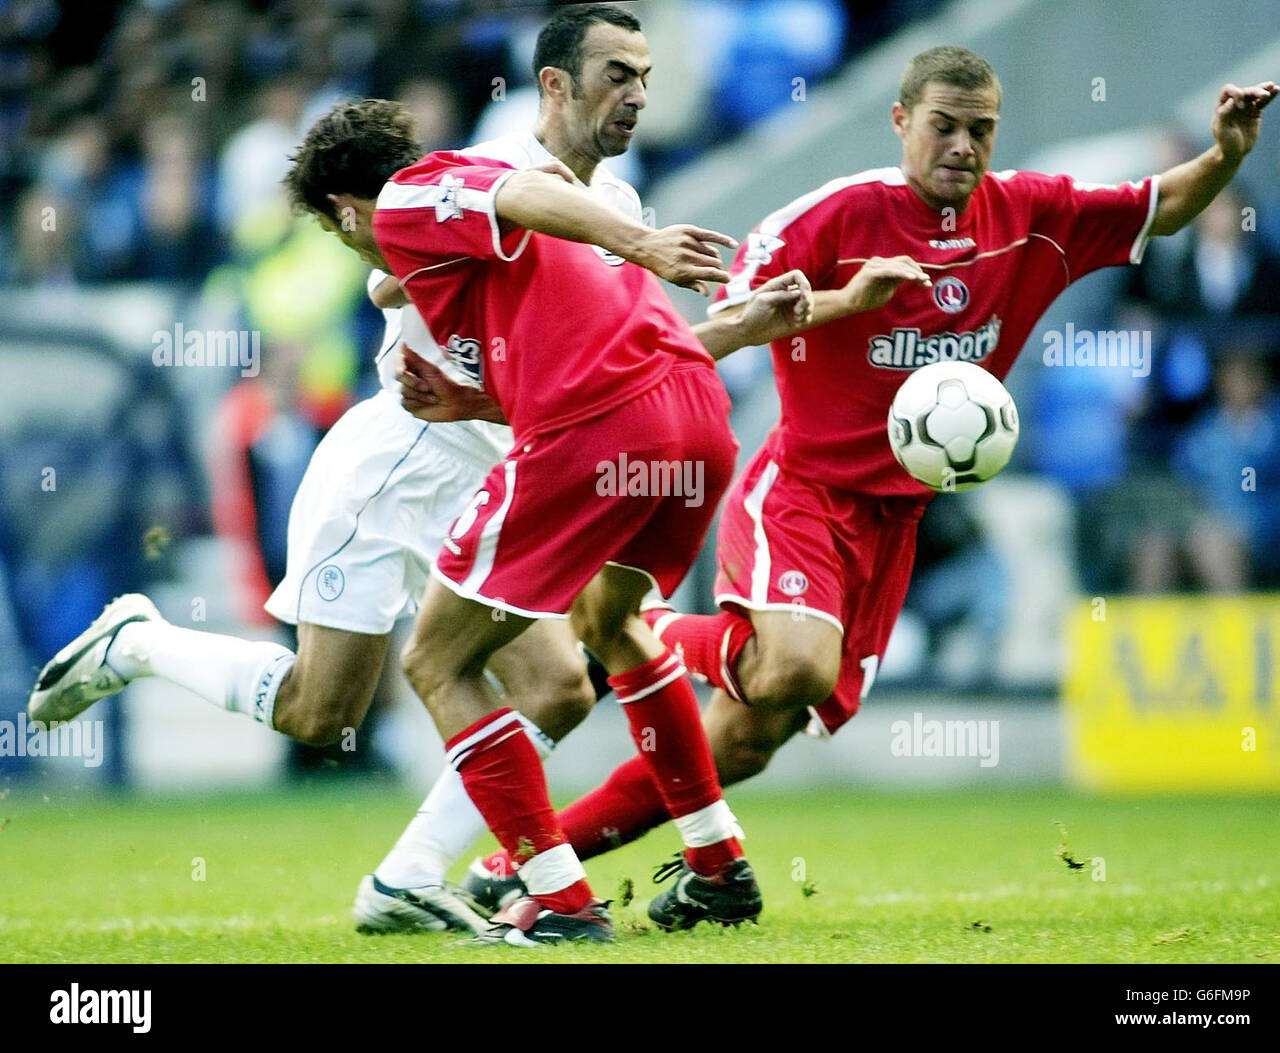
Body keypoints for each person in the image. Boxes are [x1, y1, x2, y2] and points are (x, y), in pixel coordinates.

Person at [28, 6, 810, 942]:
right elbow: (456, 248)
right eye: (616, 74)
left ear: (342, 211)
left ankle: (413, 874)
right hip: (393, 470)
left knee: (559, 684)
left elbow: (612, 353)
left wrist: (734, 320)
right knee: (325, 709)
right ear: (553, 88)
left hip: (519, 455)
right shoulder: (463, 201)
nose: (636, 95)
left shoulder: (600, 207)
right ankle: (142, 642)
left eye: (642, 76)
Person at [464, 45, 1280, 907]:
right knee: (794, 669)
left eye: (980, 130)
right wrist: (845, 302)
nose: (962, 146)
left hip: (896, 523)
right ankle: (643, 625)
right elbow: (736, 314)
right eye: (943, 127)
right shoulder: (838, 215)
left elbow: (1163, 207)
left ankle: (515, 864)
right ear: (901, 123)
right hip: (804, 491)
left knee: (743, 741)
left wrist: (1227, 151)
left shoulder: (1036, 215)